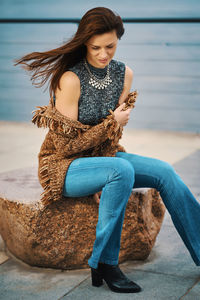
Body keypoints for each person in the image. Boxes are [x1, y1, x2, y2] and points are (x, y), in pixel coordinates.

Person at [15, 7, 200, 294]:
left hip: (101, 160)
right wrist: (110, 126)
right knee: (121, 169)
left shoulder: (124, 75)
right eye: (95, 48)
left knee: (164, 171)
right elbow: (65, 147)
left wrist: (103, 175)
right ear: (84, 43)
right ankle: (105, 262)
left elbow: (111, 140)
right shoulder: (70, 80)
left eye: (110, 46)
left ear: (118, 40)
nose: (103, 54)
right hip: (63, 168)